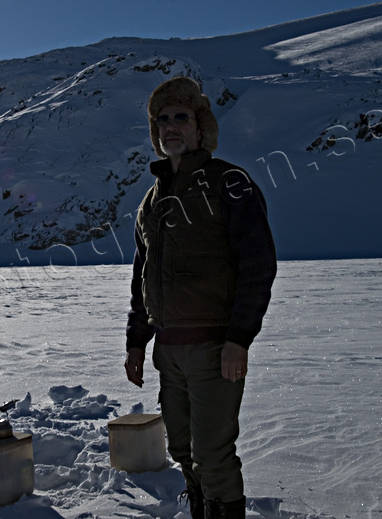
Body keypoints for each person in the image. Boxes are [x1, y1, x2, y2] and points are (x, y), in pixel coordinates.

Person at [124, 76, 277, 519]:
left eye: (181, 117)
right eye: (162, 120)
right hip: (168, 350)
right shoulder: (152, 200)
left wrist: (239, 338)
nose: (170, 127)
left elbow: (257, 264)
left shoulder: (228, 183)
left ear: (200, 126)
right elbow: (143, 279)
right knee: (184, 451)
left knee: (213, 455)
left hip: (215, 347)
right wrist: (137, 341)